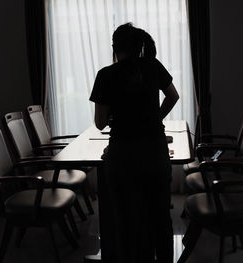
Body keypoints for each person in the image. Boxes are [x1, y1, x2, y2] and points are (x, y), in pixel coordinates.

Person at [89, 23, 179, 263]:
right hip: (155, 153)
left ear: (114, 48)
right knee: (161, 218)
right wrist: (154, 117)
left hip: (123, 156)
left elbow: (99, 123)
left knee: (126, 220)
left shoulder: (106, 74)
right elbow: (173, 96)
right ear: (138, 46)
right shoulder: (153, 66)